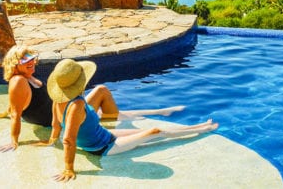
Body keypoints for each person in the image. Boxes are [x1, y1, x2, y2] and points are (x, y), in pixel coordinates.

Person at [38, 58, 219, 182]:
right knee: (155, 132)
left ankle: (198, 125)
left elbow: (56, 125)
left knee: (147, 133)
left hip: (105, 135)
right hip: (104, 148)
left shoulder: (58, 100)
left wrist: (52, 141)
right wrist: (69, 168)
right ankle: (200, 129)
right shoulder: (76, 105)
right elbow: (69, 139)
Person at [0, 45, 186, 152]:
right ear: (15, 64)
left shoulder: (26, 77)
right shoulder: (18, 81)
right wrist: (14, 141)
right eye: (26, 61)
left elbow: (13, 106)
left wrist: (2, 114)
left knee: (101, 91)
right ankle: (145, 114)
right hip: (61, 116)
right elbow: (16, 112)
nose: (32, 62)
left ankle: (151, 112)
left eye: (32, 58)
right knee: (100, 94)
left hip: (62, 109)